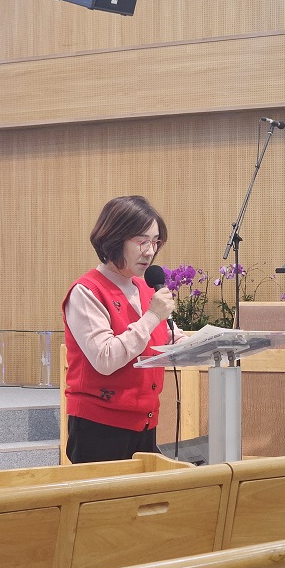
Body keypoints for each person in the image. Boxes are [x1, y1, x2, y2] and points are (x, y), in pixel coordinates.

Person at [62, 195, 181, 463]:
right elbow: (105, 359)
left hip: (145, 422)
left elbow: (168, 336)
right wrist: (152, 316)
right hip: (99, 427)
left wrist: (201, 344)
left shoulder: (145, 288)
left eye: (155, 242)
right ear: (114, 239)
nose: (150, 251)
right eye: (142, 241)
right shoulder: (86, 291)